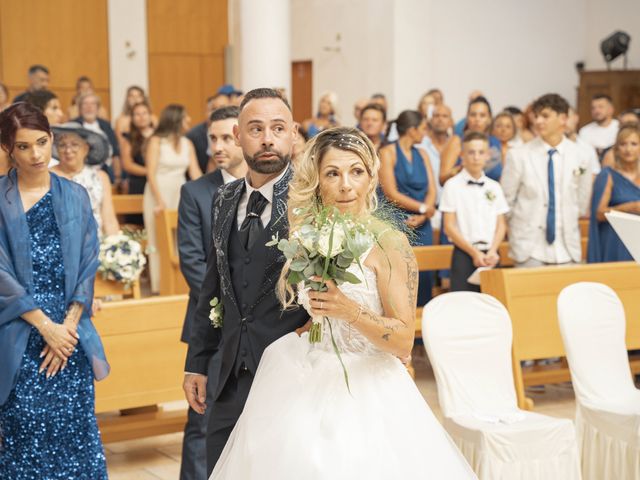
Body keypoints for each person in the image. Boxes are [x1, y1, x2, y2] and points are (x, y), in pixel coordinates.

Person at [209, 125, 476, 479]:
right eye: (332, 173)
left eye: (356, 172)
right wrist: (313, 322)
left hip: (367, 385)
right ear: (318, 180)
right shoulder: (308, 233)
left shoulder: (389, 243)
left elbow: (402, 340)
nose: (346, 184)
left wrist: (348, 310)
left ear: (370, 179)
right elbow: (315, 309)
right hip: (307, 372)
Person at [183, 88, 309, 476]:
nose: (267, 138)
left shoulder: (312, 201)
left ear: (293, 134)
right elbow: (213, 284)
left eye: (277, 128)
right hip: (229, 371)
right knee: (223, 467)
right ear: (238, 136)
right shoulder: (224, 197)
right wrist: (198, 362)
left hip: (291, 370)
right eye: (255, 129)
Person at [0, 102, 109, 478]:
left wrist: (68, 327)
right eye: (24, 146)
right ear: (9, 150)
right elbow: (0, 273)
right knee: (24, 432)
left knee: (75, 433)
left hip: (70, 334)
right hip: (18, 331)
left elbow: (87, 263)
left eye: (42, 142)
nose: (36, 154)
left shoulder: (75, 195)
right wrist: (46, 327)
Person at [177, 105, 247, 480]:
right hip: (214, 325)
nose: (218, 147)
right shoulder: (196, 192)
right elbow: (192, 262)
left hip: (258, 330)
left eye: (226, 137)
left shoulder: (264, 189)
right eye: (212, 139)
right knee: (203, 421)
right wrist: (233, 309)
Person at [501, 93, 592, 267]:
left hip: (567, 247)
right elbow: (506, 200)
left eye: (545, 116)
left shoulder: (581, 155)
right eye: (536, 116)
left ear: (563, 119)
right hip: (529, 246)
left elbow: (581, 202)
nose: (538, 121)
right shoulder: (519, 155)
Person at [379, 110, 436, 305]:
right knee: (400, 279)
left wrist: (424, 214)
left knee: (424, 277)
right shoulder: (387, 152)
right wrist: (423, 209)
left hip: (423, 224)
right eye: (423, 128)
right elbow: (390, 192)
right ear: (412, 130)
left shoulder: (423, 154)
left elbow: (432, 188)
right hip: (398, 222)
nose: (425, 133)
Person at [440, 131, 508, 292]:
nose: (476, 157)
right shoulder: (452, 185)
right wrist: (474, 253)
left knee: (493, 302)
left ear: (487, 156)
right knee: (463, 304)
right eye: (471, 152)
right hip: (464, 253)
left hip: (491, 254)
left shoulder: (494, 187)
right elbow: (449, 226)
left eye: (481, 152)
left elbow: (501, 225)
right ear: (462, 155)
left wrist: (492, 251)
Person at [144, 104, 202, 294]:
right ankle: (159, 285)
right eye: (185, 118)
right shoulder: (156, 141)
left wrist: (209, 194)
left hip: (180, 191)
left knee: (182, 237)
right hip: (157, 191)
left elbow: (195, 172)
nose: (189, 121)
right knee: (157, 238)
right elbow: (150, 173)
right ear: (176, 120)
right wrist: (159, 200)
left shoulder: (188, 143)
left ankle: (179, 283)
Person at [51, 123, 119, 236]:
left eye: (74, 144)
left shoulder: (100, 177)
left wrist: (116, 246)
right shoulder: (48, 176)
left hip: (96, 244)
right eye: (62, 145)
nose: (68, 150)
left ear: (86, 148)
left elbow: (109, 219)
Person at [588, 123, 640, 263]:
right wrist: (630, 207)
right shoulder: (608, 175)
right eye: (623, 144)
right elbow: (599, 213)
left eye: (634, 144)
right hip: (615, 241)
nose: (628, 149)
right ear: (616, 149)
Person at [440, 96, 502, 185]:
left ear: (489, 119)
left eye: (482, 115)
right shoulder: (457, 141)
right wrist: (460, 169)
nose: (477, 119)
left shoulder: (495, 142)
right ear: (467, 118)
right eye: (473, 115)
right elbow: (442, 179)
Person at [74, 92, 121, 185]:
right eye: (85, 104)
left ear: (98, 108)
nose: (89, 107)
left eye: (93, 104)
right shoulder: (73, 125)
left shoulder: (106, 125)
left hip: (105, 170)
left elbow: (115, 152)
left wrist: (118, 175)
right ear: (80, 108)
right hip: (79, 172)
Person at [187, 94, 231, 174]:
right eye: (214, 109)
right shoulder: (193, 135)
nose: (218, 112)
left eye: (222, 108)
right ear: (206, 112)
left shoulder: (238, 131)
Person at [120, 101, 154, 202]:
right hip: (139, 183)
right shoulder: (129, 139)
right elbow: (127, 165)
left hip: (159, 181)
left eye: (144, 113)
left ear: (150, 115)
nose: (141, 117)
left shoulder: (159, 136)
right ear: (132, 118)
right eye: (137, 114)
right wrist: (149, 172)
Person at [578, 94, 619, 159]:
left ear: (611, 109)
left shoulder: (620, 127)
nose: (596, 111)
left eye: (601, 107)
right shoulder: (584, 131)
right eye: (593, 108)